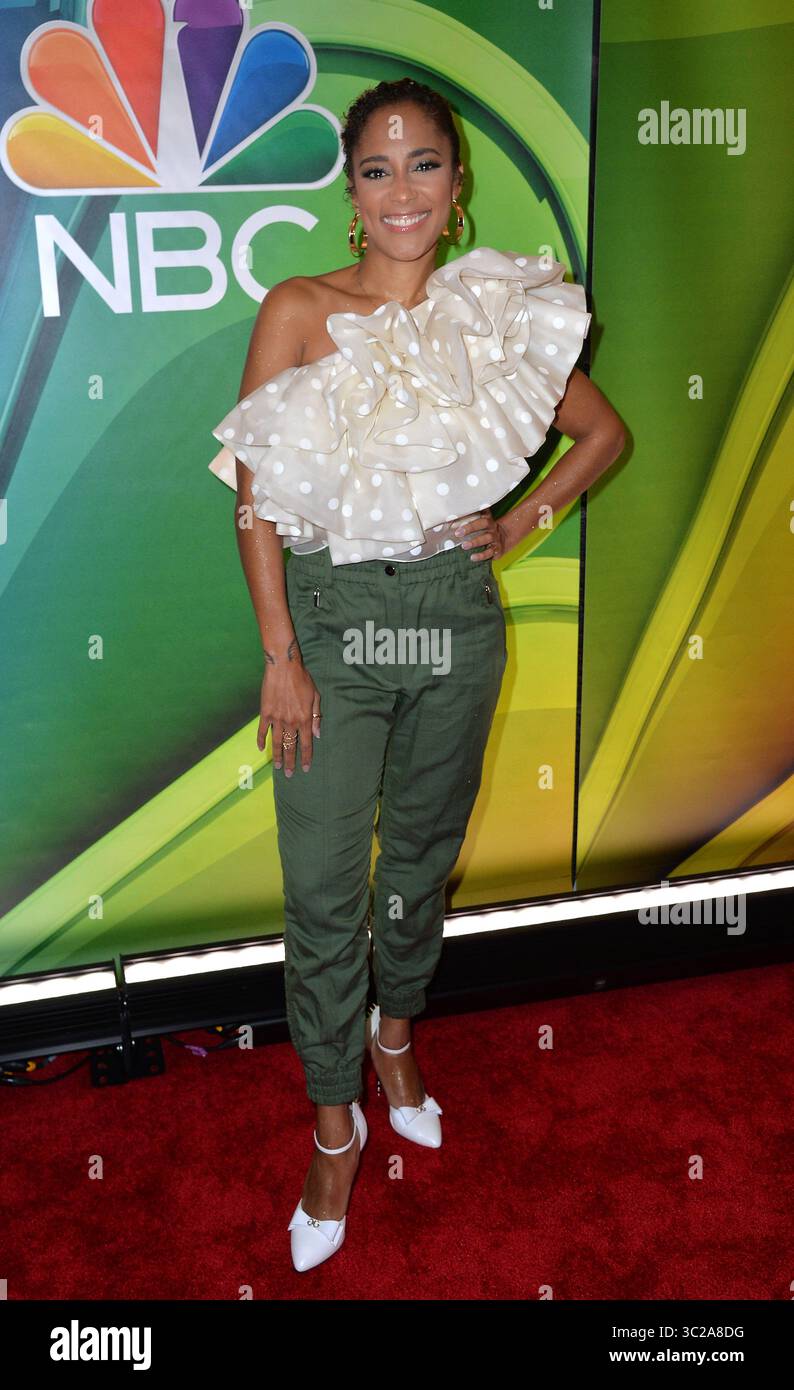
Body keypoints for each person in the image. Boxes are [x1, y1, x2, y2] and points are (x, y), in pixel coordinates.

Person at [209, 77, 626, 1273]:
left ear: (455, 187)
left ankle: (396, 1035)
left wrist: (524, 517)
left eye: (424, 165)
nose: (401, 189)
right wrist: (281, 655)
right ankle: (333, 1124)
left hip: (451, 617)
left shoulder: (494, 309)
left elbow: (598, 434)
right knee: (324, 883)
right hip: (332, 622)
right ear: (351, 191)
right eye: (377, 168)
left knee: (424, 855)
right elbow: (253, 503)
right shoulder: (296, 306)